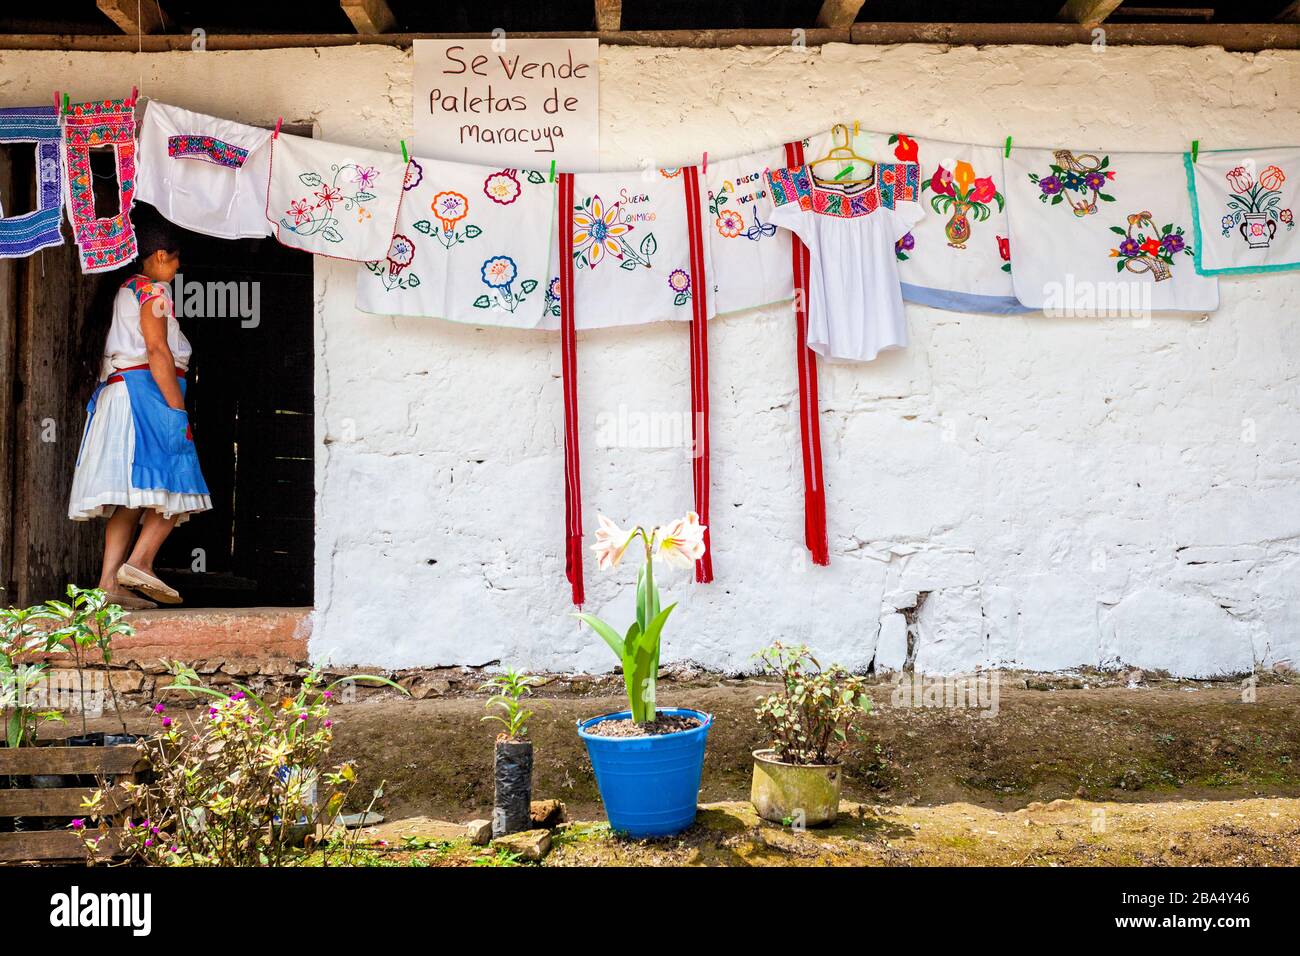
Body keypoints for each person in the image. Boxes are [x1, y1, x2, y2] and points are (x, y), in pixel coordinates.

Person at [67, 209, 210, 608]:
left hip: (120, 395)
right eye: (177, 259)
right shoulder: (153, 292)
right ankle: (141, 563)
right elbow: (157, 350)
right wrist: (177, 410)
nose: (179, 268)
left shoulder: (123, 291)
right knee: (180, 476)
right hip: (146, 394)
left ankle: (108, 584)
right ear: (161, 256)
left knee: (131, 498)